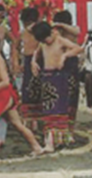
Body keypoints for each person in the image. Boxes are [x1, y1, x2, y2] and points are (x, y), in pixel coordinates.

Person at [0, 32, 44, 161]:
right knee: (17, 124)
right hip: (2, 96)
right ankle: (37, 147)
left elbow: (6, 81)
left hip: (2, 97)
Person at [32, 21, 83, 150]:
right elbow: (35, 53)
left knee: (58, 109)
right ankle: (49, 140)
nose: (46, 41)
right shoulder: (42, 43)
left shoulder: (60, 40)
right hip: (47, 77)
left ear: (51, 32)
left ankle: (56, 139)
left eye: (47, 38)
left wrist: (64, 56)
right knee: (48, 109)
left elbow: (78, 48)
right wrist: (33, 62)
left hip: (59, 77)